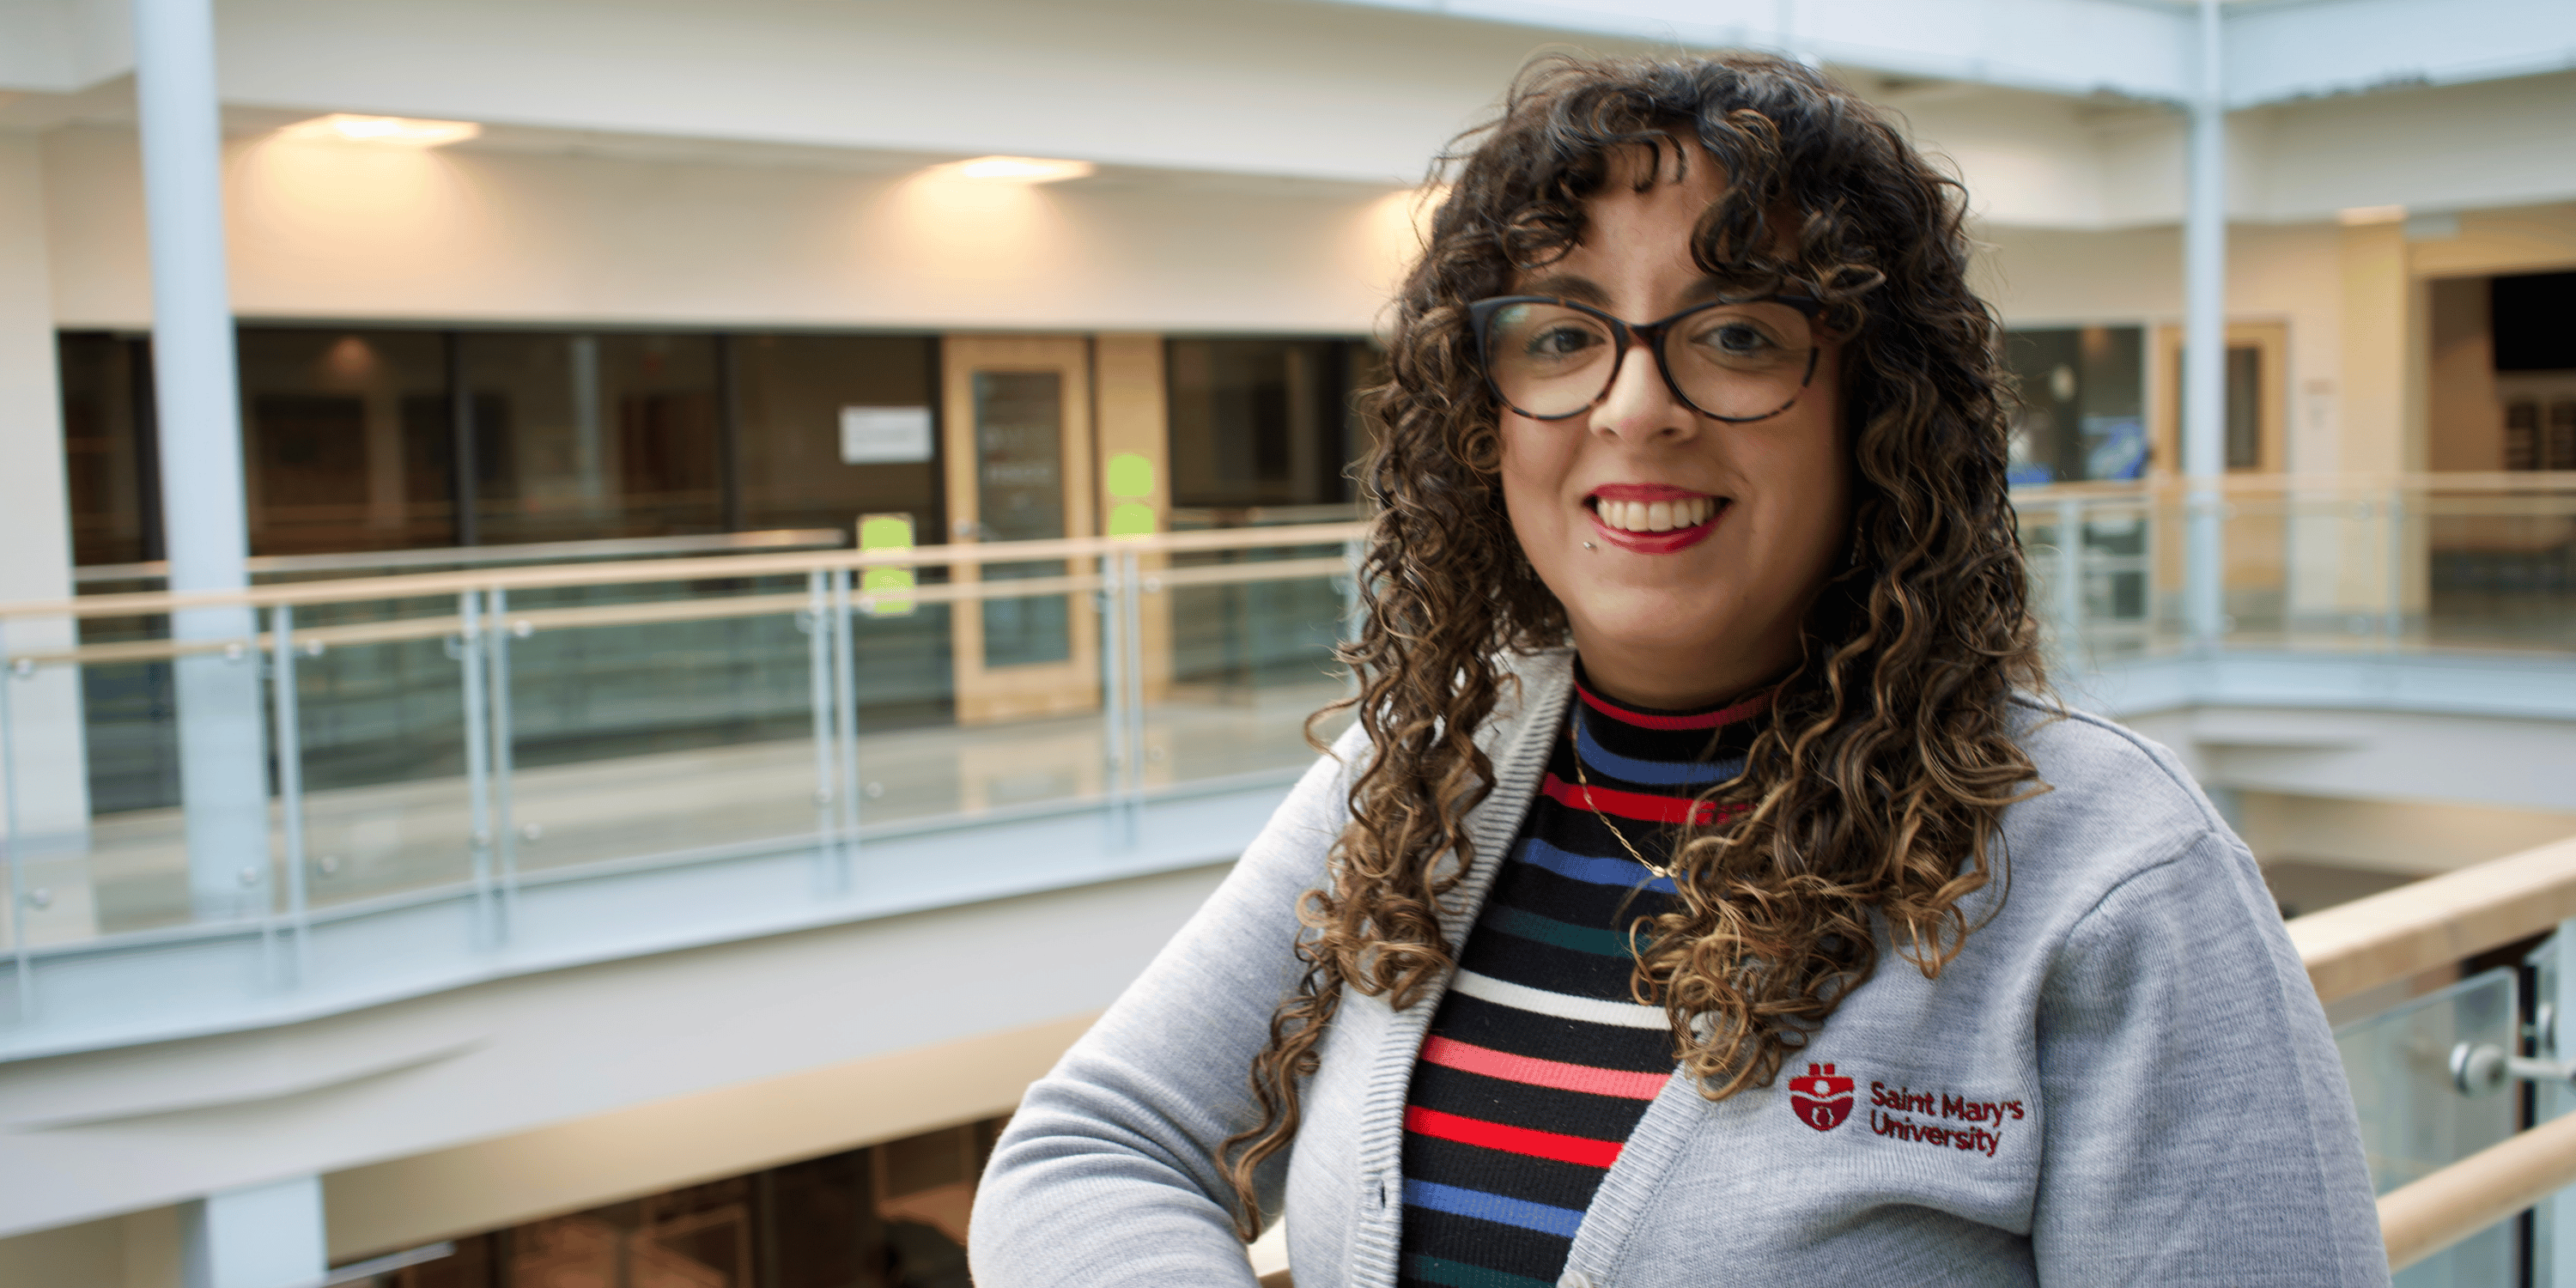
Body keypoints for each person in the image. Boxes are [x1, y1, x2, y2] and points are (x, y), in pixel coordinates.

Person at [969, 53, 2386, 1287]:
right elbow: (1096, 1147)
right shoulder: (1422, 781)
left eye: (1737, 335)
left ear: (1876, 410)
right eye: (1564, 336)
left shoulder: (2110, 876)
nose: (1634, 408)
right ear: (1486, 414)